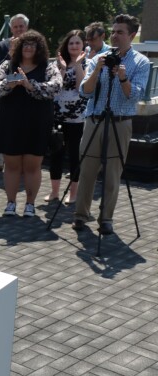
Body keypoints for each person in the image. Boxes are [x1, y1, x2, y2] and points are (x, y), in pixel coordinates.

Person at [73, 14, 150, 235]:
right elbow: (84, 92)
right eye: (113, 31)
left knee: (112, 173)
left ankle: (106, 218)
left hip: (120, 122)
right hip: (94, 119)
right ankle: (80, 215)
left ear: (132, 35)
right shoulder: (99, 58)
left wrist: (123, 78)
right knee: (87, 170)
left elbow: (134, 97)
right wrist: (97, 69)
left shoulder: (141, 63)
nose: (115, 36)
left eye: (120, 32)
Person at [0, 30, 61, 218]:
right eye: (26, 44)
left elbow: (55, 86)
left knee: (32, 166)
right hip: (10, 122)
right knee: (11, 165)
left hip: (37, 123)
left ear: (39, 48)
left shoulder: (48, 66)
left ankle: (30, 204)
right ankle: (10, 203)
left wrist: (30, 85)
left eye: (33, 44)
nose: (29, 47)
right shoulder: (7, 65)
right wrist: (11, 83)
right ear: (20, 46)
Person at [46, 30, 87, 204]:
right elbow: (56, 87)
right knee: (56, 153)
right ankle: (55, 191)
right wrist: (63, 68)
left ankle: (73, 193)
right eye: (71, 43)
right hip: (58, 115)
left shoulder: (89, 63)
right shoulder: (56, 64)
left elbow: (81, 88)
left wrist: (77, 65)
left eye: (77, 43)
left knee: (75, 154)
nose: (74, 46)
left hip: (77, 117)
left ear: (83, 45)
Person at [0, 13, 29, 174]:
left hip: (27, 91)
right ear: (11, 29)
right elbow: (0, 69)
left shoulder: (33, 44)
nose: (19, 29)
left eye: (21, 26)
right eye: (15, 27)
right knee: (2, 125)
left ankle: (23, 161)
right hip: (7, 91)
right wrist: (11, 52)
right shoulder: (2, 45)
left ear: (26, 27)